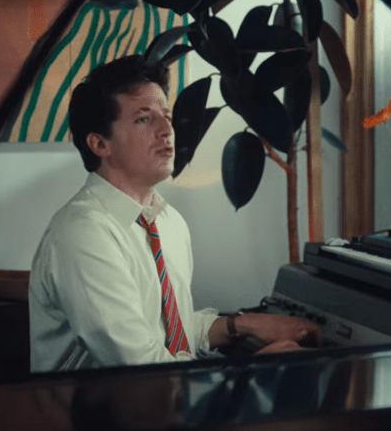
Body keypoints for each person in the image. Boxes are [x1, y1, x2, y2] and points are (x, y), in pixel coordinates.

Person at [28, 55, 322, 372]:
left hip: (165, 397)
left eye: (166, 115)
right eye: (144, 119)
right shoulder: (83, 234)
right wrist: (251, 370)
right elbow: (143, 370)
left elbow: (168, 331)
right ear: (99, 144)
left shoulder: (168, 222)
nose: (166, 129)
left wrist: (241, 324)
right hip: (102, 403)